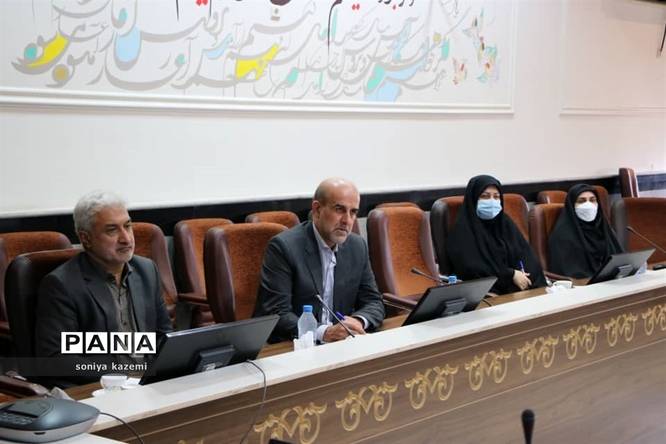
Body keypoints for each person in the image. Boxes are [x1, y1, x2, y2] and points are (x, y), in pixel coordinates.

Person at [35, 191, 172, 385]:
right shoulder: (61, 284)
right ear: (86, 239)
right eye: (112, 230)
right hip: (98, 388)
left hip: (148, 384)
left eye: (128, 226)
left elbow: (163, 336)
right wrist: (121, 378)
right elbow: (56, 357)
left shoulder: (147, 270)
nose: (126, 239)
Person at [254, 178, 385, 343]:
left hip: (342, 343)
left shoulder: (357, 246)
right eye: (339, 209)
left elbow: (373, 302)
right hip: (297, 344)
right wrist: (323, 333)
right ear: (317, 210)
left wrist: (358, 321)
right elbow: (276, 314)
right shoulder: (284, 247)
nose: (347, 220)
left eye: (353, 212)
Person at [446, 175, 546, 294]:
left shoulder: (505, 223)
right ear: (473, 199)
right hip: (488, 295)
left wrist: (525, 277)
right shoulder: (462, 231)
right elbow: (473, 270)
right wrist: (511, 275)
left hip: (520, 290)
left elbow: (527, 258)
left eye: (496, 197)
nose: (492, 202)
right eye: (485, 196)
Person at [548, 184, 623, 278]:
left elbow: (621, 261)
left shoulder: (604, 228)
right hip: (584, 284)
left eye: (592, 200)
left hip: (613, 281)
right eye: (581, 201)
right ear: (572, 205)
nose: (588, 205)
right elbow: (569, 273)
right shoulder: (562, 235)